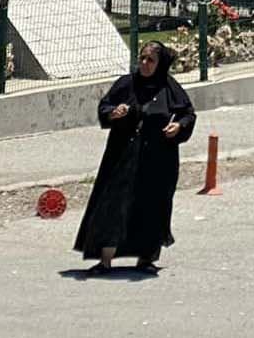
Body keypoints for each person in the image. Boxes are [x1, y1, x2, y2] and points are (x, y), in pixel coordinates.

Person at [74, 41, 196, 274]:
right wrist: (113, 113)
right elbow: (105, 107)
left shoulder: (169, 87)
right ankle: (105, 260)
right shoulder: (126, 84)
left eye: (151, 60)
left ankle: (146, 259)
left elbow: (187, 114)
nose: (145, 64)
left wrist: (178, 126)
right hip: (123, 156)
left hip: (158, 158)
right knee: (113, 204)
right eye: (142, 58)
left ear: (160, 64)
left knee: (152, 205)